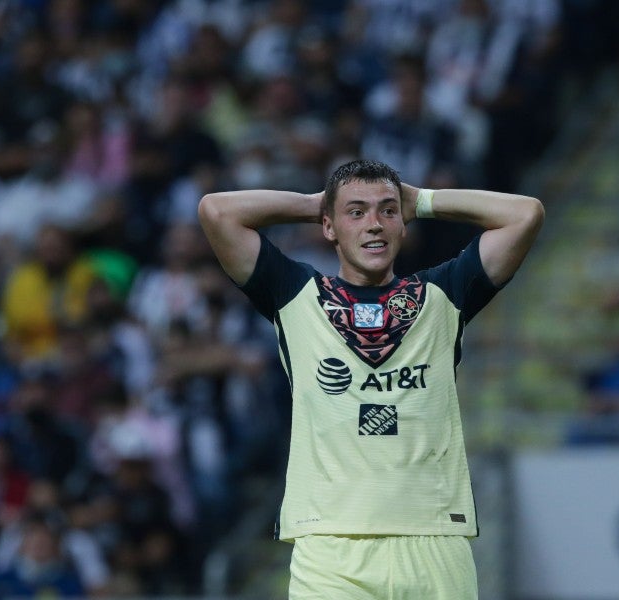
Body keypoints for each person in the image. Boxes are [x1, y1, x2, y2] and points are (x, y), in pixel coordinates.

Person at [198, 159, 543, 599]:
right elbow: (216, 211)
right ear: (330, 227)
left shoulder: (444, 295)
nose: (374, 225)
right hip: (329, 546)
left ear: (403, 224)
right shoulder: (295, 295)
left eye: (387, 211)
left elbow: (525, 214)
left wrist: (424, 201)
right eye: (356, 213)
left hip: (434, 538)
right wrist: (316, 203)